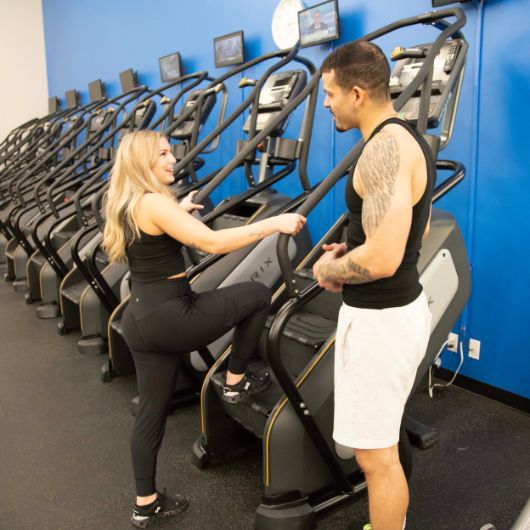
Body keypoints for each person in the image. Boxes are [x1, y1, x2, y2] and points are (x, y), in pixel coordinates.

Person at [102, 130, 306, 528]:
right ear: (142, 163)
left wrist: (181, 209)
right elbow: (211, 244)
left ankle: (144, 504)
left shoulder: (128, 202)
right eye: (162, 154)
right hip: (173, 315)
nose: (171, 159)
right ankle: (234, 381)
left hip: (140, 319)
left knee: (150, 412)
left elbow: (161, 226)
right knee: (256, 295)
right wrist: (274, 223)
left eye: (169, 151)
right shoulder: (154, 204)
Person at [312, 41, 434, 530]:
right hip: (392, 313)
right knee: (380, 445)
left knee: (375, 460)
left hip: (381, 323)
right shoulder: (407, 139)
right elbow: (413, 230)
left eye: (329, 94)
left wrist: (331, 271)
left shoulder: (383, 148)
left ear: (357, 94)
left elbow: (384, 257)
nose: (326, 104)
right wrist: (353, 253)